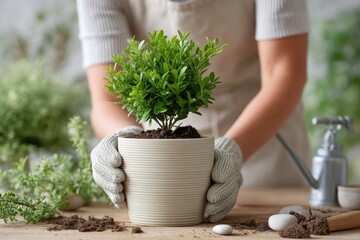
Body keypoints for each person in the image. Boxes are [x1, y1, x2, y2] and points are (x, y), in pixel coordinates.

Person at [76, 0, 311, 222]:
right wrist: (124, 140)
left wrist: (232, 151)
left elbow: (284, 75)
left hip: (265, 149)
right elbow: (109, 97)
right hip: (166, 155)